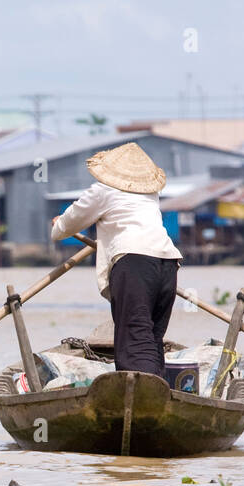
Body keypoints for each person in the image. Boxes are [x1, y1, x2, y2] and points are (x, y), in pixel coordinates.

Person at [50, 142, 182, 377]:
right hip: (168, 263)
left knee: (135, 337)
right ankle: (157, 395)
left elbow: (66, 225)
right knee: (151, 339)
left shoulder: (103, 190)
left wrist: (58, 224)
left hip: (134, 265)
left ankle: (143, 397)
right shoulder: (150, 194)